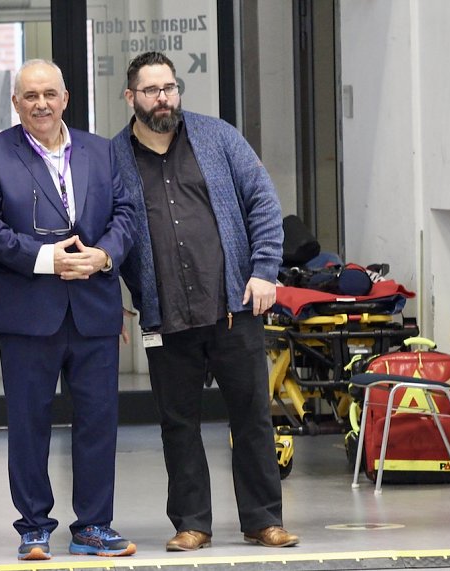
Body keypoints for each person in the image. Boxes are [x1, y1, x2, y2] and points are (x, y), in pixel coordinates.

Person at [111, 52, 299, 552]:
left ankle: (263, 520)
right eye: (151, 90)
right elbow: (107, 232)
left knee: (252, 416)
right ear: (131, 97)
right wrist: (112, 298)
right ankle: (192, 523)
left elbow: (263, 201)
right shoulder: (114, 158)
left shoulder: (217, 137)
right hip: (166, 314)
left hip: (233, 305)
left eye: (170, 87)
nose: (163, 98)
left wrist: (264, 271)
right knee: (178, 424)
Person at [0, 59, 136, 560]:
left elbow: (127, 214)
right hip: (26, 309)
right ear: (16, 102)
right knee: (28, 422)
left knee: (98, 421)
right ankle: (33, 528)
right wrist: (46, 259)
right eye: (30, 95)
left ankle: (93, 526)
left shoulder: (102, 151)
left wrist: (103, 255)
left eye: (49, 94)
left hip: (93, 306)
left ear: (65, 98)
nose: (41, 104)